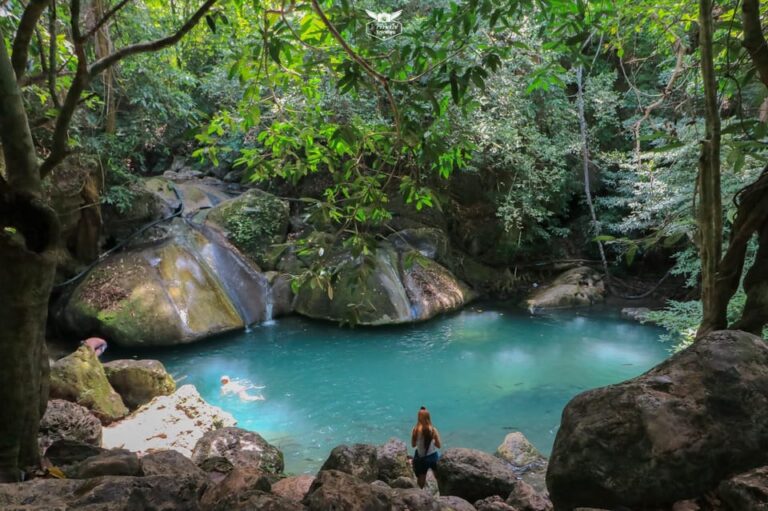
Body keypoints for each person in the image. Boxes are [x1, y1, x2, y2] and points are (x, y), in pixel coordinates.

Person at [411, 406, 442, 489]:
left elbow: (413, 445)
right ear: (428, 417)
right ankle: (442, 495)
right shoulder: (433, 430)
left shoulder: (415, 430)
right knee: (438, 477)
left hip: (421, 458)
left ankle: (420, 496)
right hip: (432, 457)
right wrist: (433, 442)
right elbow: (439, 445)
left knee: (421, 480)